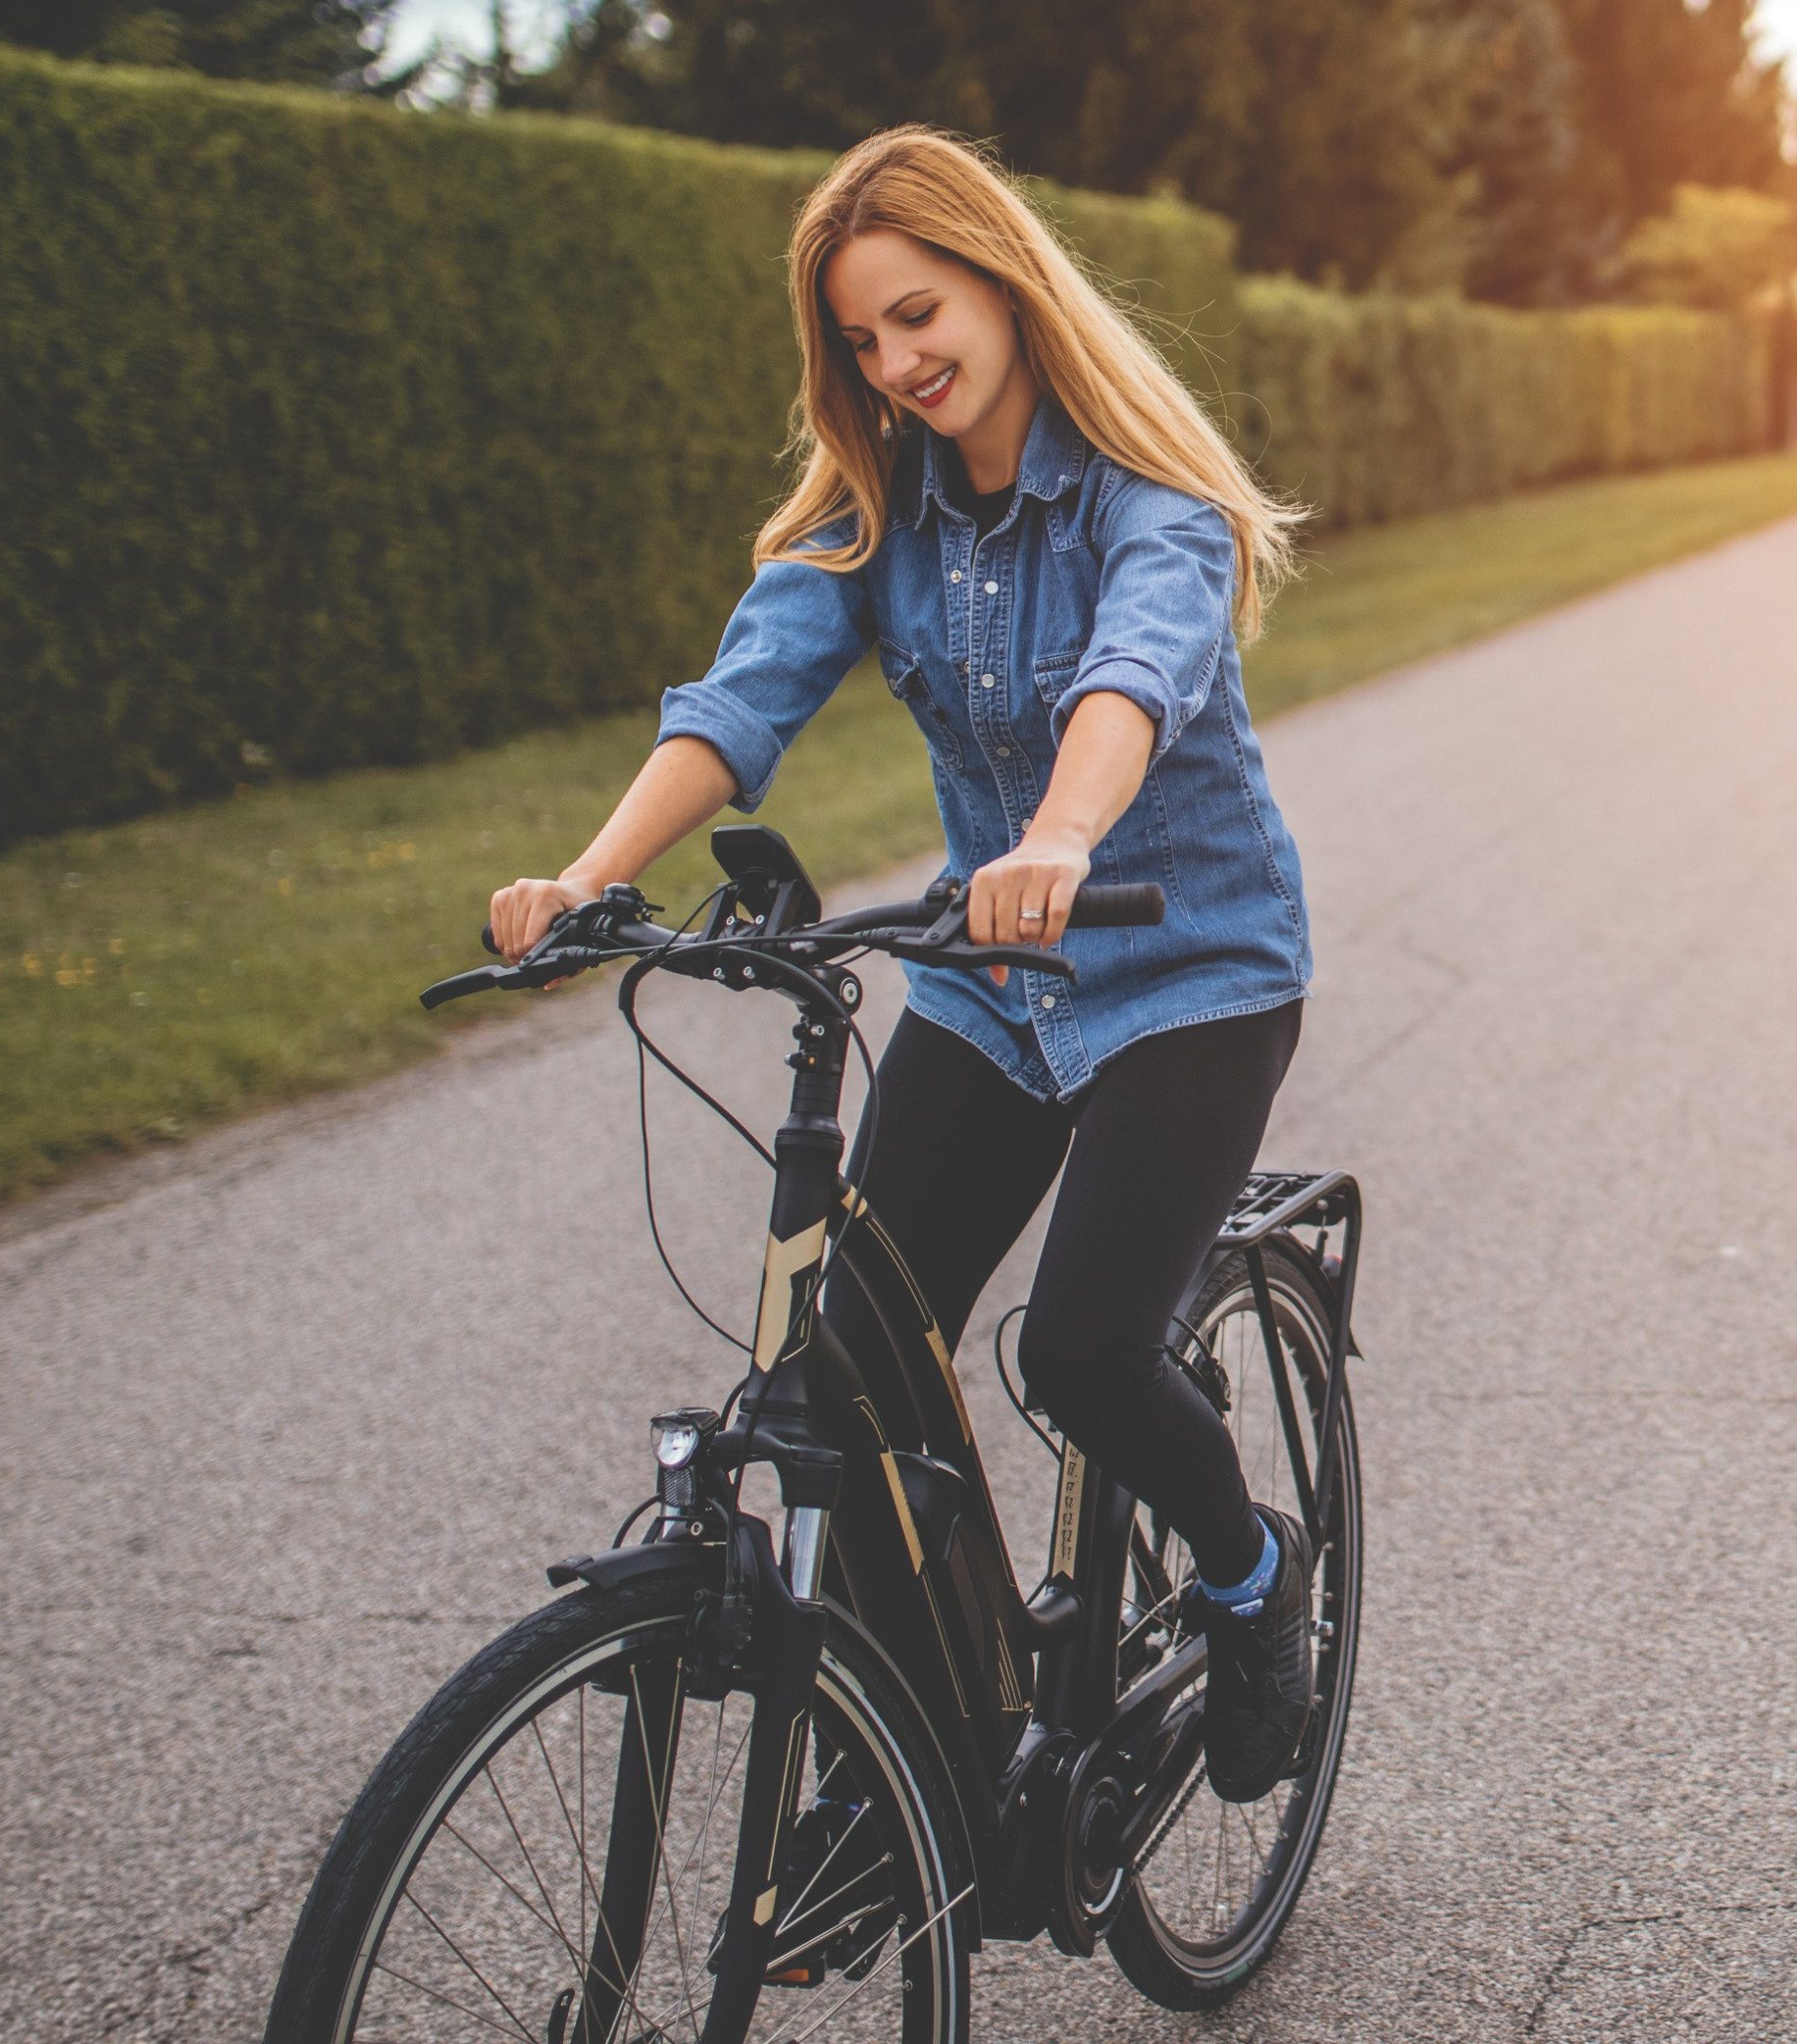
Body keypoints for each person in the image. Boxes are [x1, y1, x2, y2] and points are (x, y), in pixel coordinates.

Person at [485, 128, 1318, 1802]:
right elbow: (742, 700)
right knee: (840, 1384)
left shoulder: (1148, 503)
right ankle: (924, 1750)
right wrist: (587, 879)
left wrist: (1065, 841)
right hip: (991, 986)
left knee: (1079, 1353)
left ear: (1006, 283)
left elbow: (1134, 680)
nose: (898, 363)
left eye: (920, 313)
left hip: (1192, 974)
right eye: (861, 341)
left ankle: (1250, 1575)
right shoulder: (885, 517)